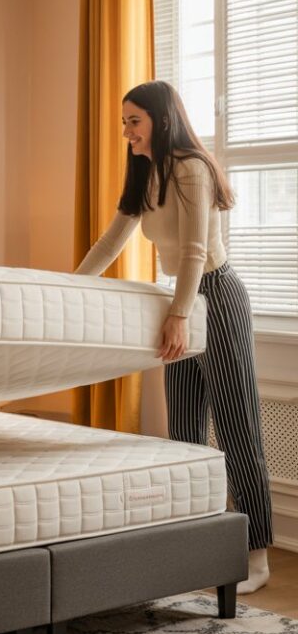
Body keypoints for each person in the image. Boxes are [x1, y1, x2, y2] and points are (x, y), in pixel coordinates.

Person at [75, 79, 272, 594]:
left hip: (215, 298)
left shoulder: (191, 168)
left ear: (161, 121)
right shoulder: (146, 170)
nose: (125, 132)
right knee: (183, 429)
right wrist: (69, 288)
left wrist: (179, 315)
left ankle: (257, 556)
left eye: (133, 121)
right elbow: (112, 239)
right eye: (123, 122)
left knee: (236, 429)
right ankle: (194, 544)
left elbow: (194, 251)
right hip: (180, 303)